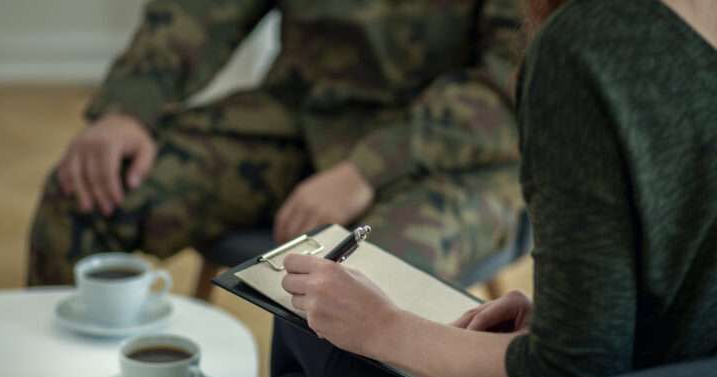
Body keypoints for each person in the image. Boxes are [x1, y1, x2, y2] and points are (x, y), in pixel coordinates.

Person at [257, 0, 717, 377]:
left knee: (299, 323)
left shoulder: (589, 44)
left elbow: (566, 375)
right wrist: (570, 313)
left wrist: (382, 326)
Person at [26, 0, 525, 286]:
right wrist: (128, 107)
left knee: (363, 290)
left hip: (460, 150)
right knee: (88, 191)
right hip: (305, 114)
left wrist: (367, 168)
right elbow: (200, 11)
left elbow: (517, 79)